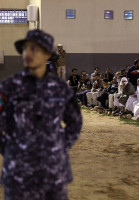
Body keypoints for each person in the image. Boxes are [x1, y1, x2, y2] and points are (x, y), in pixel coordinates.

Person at [0, 29, 82, 199]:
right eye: (26, 48)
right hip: (19, 175)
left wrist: (58, 145)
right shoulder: (9, 88)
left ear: (47, 55)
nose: (28, 53)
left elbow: (74, 122)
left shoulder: (60, 89)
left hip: (53, 175)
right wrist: (10, 149)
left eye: (34, 48)